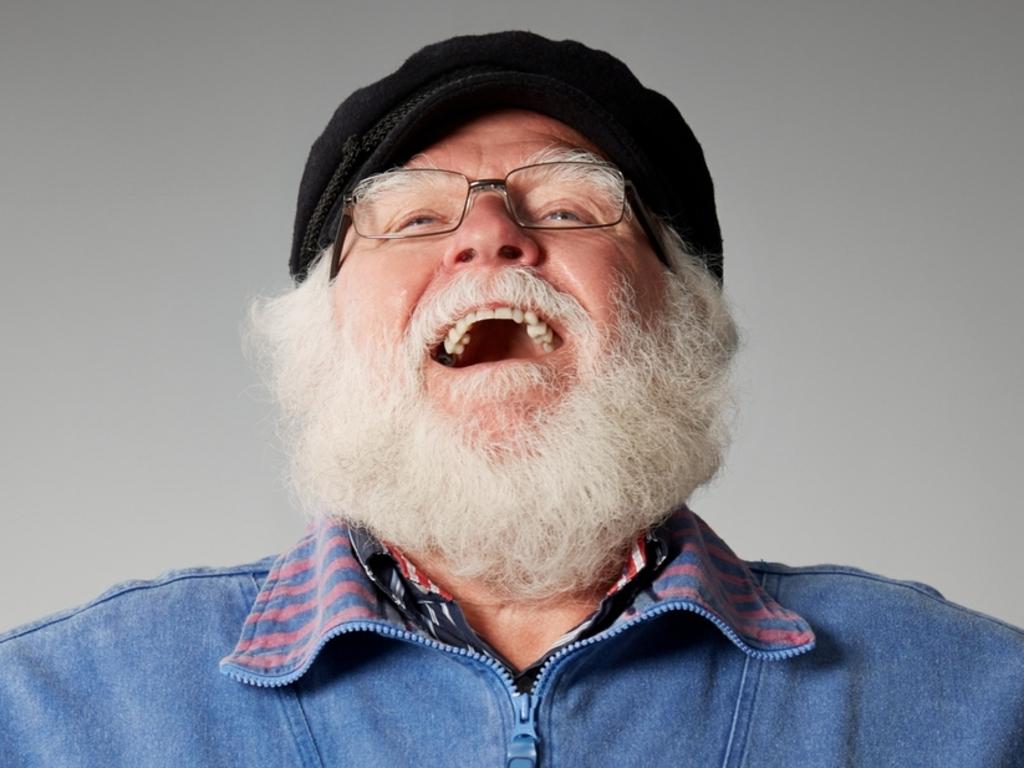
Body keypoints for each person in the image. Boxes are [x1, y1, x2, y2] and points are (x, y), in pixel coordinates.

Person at [1, 30, 1021, 768]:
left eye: (570, 206)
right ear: (313, 343)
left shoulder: (978, 708)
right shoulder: (48, 716)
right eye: (410, 219)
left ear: (683, 317)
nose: (486, 237)